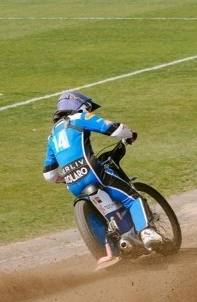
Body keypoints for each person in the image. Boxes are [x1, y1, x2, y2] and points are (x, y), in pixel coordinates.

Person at [43, 91, 162, 268]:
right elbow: (116, 130)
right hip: (94, 172)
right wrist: (130, 135)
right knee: (132, 198)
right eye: (88, 107)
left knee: (105, 210)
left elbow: (49, 175)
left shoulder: (52, 135)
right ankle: (146, 232)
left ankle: (122, 240)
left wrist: (66, 176)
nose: (89, 109)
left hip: (74, 186)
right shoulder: (79, 117)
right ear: (77, 105)